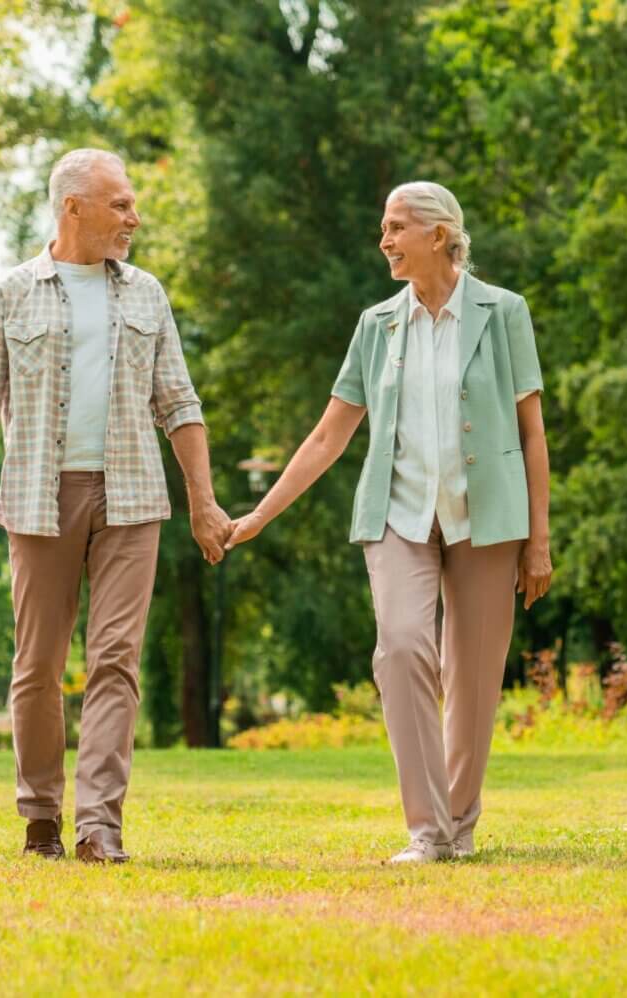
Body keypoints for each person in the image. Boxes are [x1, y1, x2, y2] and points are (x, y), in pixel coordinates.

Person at [226, 181, 552, 863]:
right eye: (384, 227)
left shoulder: (503, 312)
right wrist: (260, 513)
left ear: (439, 234)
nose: (384, 241)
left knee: (474, 678)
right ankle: (426, 830)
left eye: (397, 227)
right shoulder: (377, 325)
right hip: (399, 515)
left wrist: (539, 541)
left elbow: (532, 434)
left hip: (487, 519)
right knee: (402, 647)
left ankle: (457, 827)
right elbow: (328, 437)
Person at [0, 148, 230, 863]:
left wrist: (202, 501)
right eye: (121, 205)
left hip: (133, 497)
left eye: (131, 205)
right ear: (72, 208)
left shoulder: (146, 293)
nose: (134, 218)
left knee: (115, 660)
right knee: (38, 665)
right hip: (40, 499)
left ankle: (99, 826)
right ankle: (40, 816)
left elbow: (180, 403)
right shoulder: (10, 293)